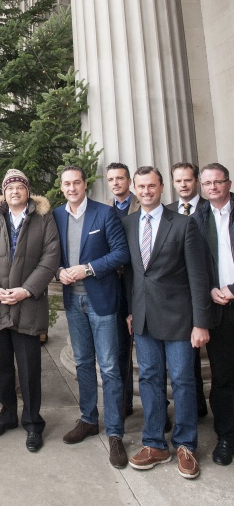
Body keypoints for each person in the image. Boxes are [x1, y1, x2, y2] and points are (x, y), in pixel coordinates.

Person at [123, 166, 211, 480]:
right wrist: (132, 311)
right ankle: (155, 443)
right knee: (149, 379)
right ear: (134, 188)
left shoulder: (184, 225)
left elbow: (198, 277)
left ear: (162, 188)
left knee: (184, 381)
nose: (146, 191)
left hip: (179, 319)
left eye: (152, 186)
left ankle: (186, 445)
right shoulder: (129, 223)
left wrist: (200, 323)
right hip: (145, 317)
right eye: (141, 186)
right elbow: (133, 273)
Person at [0, 169, 60, 453]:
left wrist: (25, 290)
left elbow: (50, 258)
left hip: (28, 304)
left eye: (19, 187)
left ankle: (33, 422)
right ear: (3, 193)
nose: (14, 191)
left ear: (28, 192)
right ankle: (8, 414)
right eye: (9, 187)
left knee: (29, 369)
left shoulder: (43, 220)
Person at [53, 165, 130, 468]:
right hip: (74, 302)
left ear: (85, 185)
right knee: (83, 362)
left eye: (76, 183)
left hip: (102, 299)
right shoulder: (57, 216)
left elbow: (121, 253)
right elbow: (53, 254)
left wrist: (86, 268)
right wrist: (59, 270)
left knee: (110, 367)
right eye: (67, 184)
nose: (72, 188)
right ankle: (88, 418)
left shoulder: (104, 213)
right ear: (62, 188)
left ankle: (115, 432)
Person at [187, 163, 234, 465]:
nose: (213, 187)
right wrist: (208, 292)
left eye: (218, 182)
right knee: (223, 377)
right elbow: (194, 266)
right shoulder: (195, 220)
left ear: (228, 183)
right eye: (208, 183)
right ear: (201, 187)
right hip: (218, 307)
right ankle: (226, 436)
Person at [167, 162, 208, 418]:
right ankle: (196, 406)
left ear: (196, 181)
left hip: (212, 290)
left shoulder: (210, 208)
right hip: (182, 296)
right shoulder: (168, 211)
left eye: (188, 180)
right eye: (178, 181)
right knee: (187, 360)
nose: (183, 184)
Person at [106, 162, 140, 418]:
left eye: (120, 178)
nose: (116, 183)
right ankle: (125, 401)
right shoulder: (105, 212)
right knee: (120, 347)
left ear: (129, 181)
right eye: (111, 179)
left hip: (141, 283)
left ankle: (158, 408)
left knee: (152, 348)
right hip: (115, 286)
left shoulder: (143, 206)